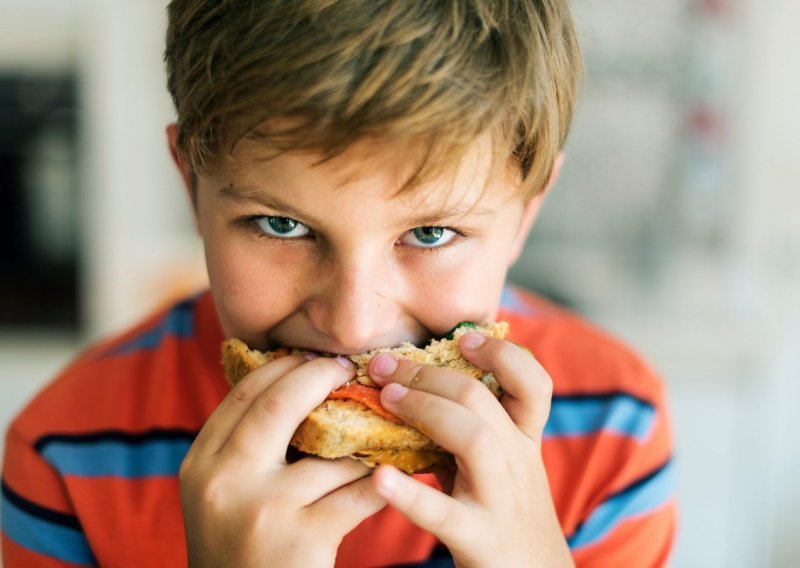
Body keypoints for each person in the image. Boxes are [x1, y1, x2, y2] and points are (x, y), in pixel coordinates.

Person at [1, 1, 676, 566]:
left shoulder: (612, 431)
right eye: (280, 224)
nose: (353, 324)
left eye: (432, 234)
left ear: (527, 213)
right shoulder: (67, 453)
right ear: (191, 186)